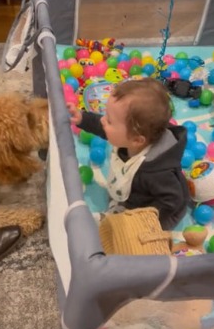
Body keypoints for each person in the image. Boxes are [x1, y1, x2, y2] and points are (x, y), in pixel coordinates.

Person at [67, 78, 189, 230]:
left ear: (137, 140)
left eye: (109, 120)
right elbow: (103, 128)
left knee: (123, 234)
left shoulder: (156, 173)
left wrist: (141, 221)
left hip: (159, 212)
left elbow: (172, 202)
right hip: (132, 194)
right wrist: (82, 118)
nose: (103, 120)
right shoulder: (131, 137)